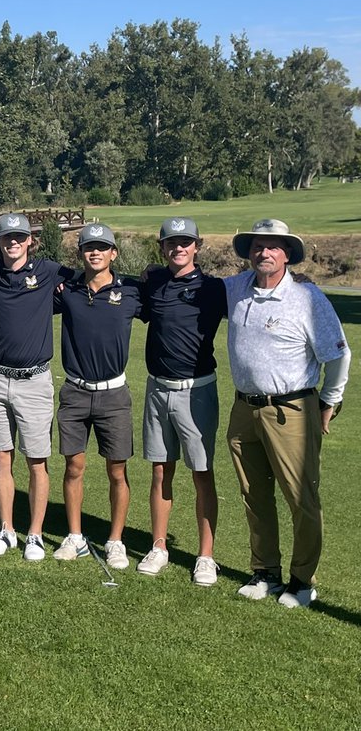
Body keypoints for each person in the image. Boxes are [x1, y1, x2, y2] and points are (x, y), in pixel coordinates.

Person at [225, 218, 350, 608]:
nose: (264, 253)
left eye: (273, 247)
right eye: (257, 246)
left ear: (287, 255)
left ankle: (302, 581)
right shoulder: (236, 288)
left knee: (301, 497)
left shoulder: (307, 297)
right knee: (254, 494)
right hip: (244, 408)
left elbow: (339, 355)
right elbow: (193, 284)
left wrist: (328, 402)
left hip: (292, 409)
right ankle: (265, 572)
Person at [0, 213, 72, 561]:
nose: (13, 242)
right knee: (2, 456)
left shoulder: (49, 271)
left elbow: (90, 277)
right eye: (6, 237)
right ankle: (7, 530)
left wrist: (149, 274)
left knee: (36, 460)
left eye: (19, 237)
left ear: (30, 240)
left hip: (35, 380)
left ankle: (35, 534)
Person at [137, 218, 226, 584]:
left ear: (197, 246)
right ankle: (159, 546)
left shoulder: (214, 288)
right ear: (162, 247)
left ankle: (206, 556)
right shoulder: (153, 282)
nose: (179, 248)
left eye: (186, 242)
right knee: (161, 470)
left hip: (197, 390)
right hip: (158, 389)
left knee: (201, 473)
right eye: (172, 242)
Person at [53, 223, 142, 567]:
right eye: (89, 247)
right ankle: (75, 536)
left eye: (102, 247)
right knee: (74, 466)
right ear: (80, 253)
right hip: (75, 391)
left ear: (113, 253)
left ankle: (115, 540)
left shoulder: (131, 292)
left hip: (114, 394)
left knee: (117, 470)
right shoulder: (68, 291)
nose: (95, 253)